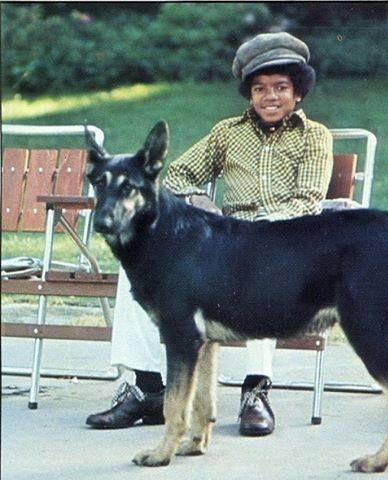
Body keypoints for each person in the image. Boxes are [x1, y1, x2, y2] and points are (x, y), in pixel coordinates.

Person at [86, 32, 333, 437]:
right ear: (248, 94)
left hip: (285, 239)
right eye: (260, 89)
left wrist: (260, 228)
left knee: (262, 274)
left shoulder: (314, 136)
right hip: (223, 240)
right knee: (136, 278)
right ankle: (147, 389)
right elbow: (179, 174)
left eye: (281, 88)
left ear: (298, 93)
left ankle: (255, 391)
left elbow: (306, 200)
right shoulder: (226, 133)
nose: (270, 97)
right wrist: (204, 204)